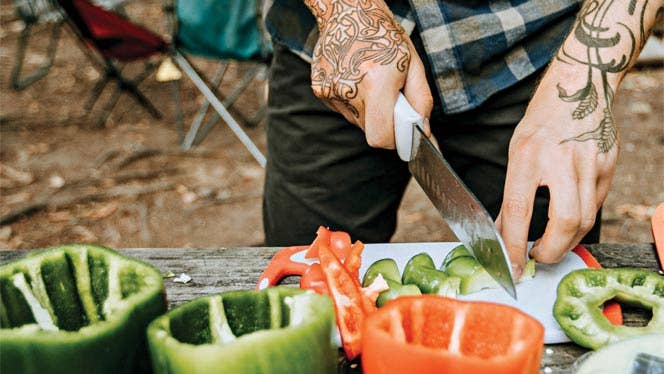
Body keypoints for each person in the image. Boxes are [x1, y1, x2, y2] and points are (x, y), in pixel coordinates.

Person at [261, 0, 662, 279]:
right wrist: (345, 11)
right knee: (302, 280)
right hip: (336, 53)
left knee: (547, 261)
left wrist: (583, 76)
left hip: (542, 56)